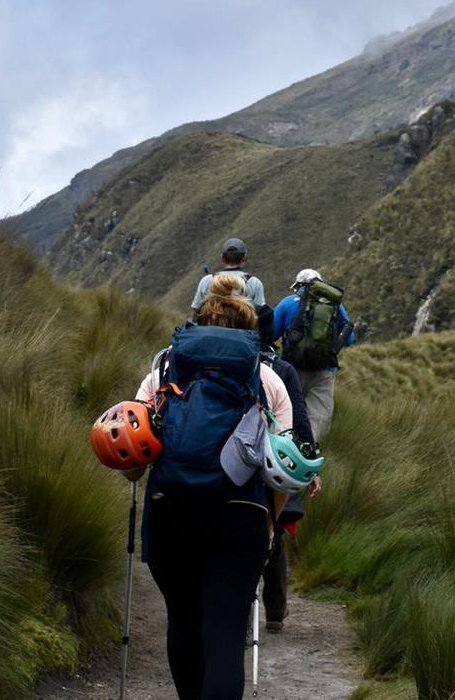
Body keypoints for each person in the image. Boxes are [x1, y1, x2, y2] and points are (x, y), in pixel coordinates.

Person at [132, 274, 291, 700]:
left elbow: (135, 459)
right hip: (240, 515)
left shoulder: (161, 372)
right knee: (224, 633)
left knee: (183, 620)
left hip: (170, 512)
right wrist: (271, 525)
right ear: (247, 329)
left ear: (197, 322)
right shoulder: (267, 380)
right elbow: (282, 469)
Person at [260, 347, 320, 633]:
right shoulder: (281, 370)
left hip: (227, 463)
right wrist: (311, 465)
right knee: (273, 531)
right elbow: (299, 419)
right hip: (271, 462)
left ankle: (239, 618)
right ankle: (274, 611)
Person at [272, 268, 354, 441]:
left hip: (292, 369)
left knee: (287, 414)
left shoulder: (287, 303)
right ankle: (311, 455)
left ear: (299, 285)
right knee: (317, 420)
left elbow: (271, 334)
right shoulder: (335, 306)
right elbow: (349, 339)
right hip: (324, 371)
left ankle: (285, 455)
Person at [192, 237, 266, 312]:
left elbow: (197, 309)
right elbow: (261, 313)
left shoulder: (206, 280)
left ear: (222, 258)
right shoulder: (254, 283)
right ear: (244, 258)